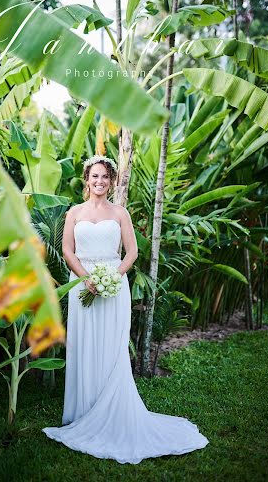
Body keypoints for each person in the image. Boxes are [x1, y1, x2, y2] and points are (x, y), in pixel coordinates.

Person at [42, 155, 209, 464]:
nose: (99, 182)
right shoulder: (74, 213)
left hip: (113, 286)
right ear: (86, 179)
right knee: (84, 344)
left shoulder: (120, 213)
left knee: (111, 347)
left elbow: (132, 252)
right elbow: (67, 250)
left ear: (112, 180)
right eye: (95, 176)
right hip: (82, 285)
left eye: (105, 177)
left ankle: (111, 409)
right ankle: (83, 412)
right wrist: (87, 279)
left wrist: (111, 278)